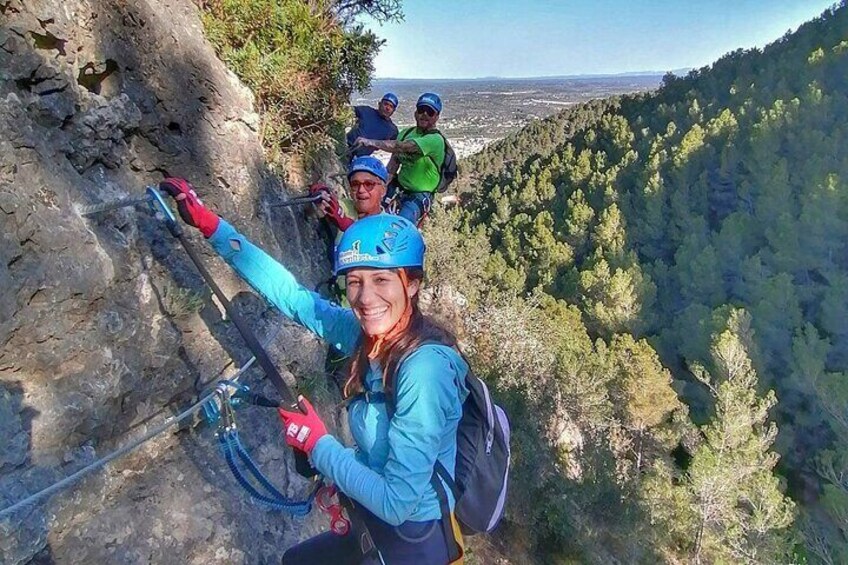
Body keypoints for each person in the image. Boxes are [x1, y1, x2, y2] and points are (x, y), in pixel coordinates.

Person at [159, 178, 467, 565]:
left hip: (411, 538)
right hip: (373, 520)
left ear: (413, 284)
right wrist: (213, 227)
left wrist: (319, 444)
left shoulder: (423, 370)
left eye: (382, 280)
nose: (366, 298)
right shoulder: (365, 335)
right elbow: (294, 298)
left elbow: (398, 501)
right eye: (355, 282)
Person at [354, 92, 446, 226]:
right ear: (416, 112)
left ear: (436, 117)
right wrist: (381, 186)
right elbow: (394, 164)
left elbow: (403, 147)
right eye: (421, 110)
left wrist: (370, 142)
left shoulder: (435, 140)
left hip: (419, 195)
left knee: (400, 225)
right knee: (369, 210)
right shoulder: (406, 133)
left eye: (430, 112)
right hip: (399, 186)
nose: (424, 114)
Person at [312, 156, 389, 233]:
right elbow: (319, 191)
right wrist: (322, 193)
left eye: (368, 184)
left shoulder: (390, 226)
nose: (361, 190)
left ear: (383, 190)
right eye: (355, 184)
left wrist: (346, 223)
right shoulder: (345, 207)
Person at [346, 93, 399, 161]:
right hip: (345, 146)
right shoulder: (366, 111)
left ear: (393, 111)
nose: (387, 108)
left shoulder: (392, 130)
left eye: (391, 106)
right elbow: (347, 111)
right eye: (385, 104)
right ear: (379, 104)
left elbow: (395, 147)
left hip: (360, 159)